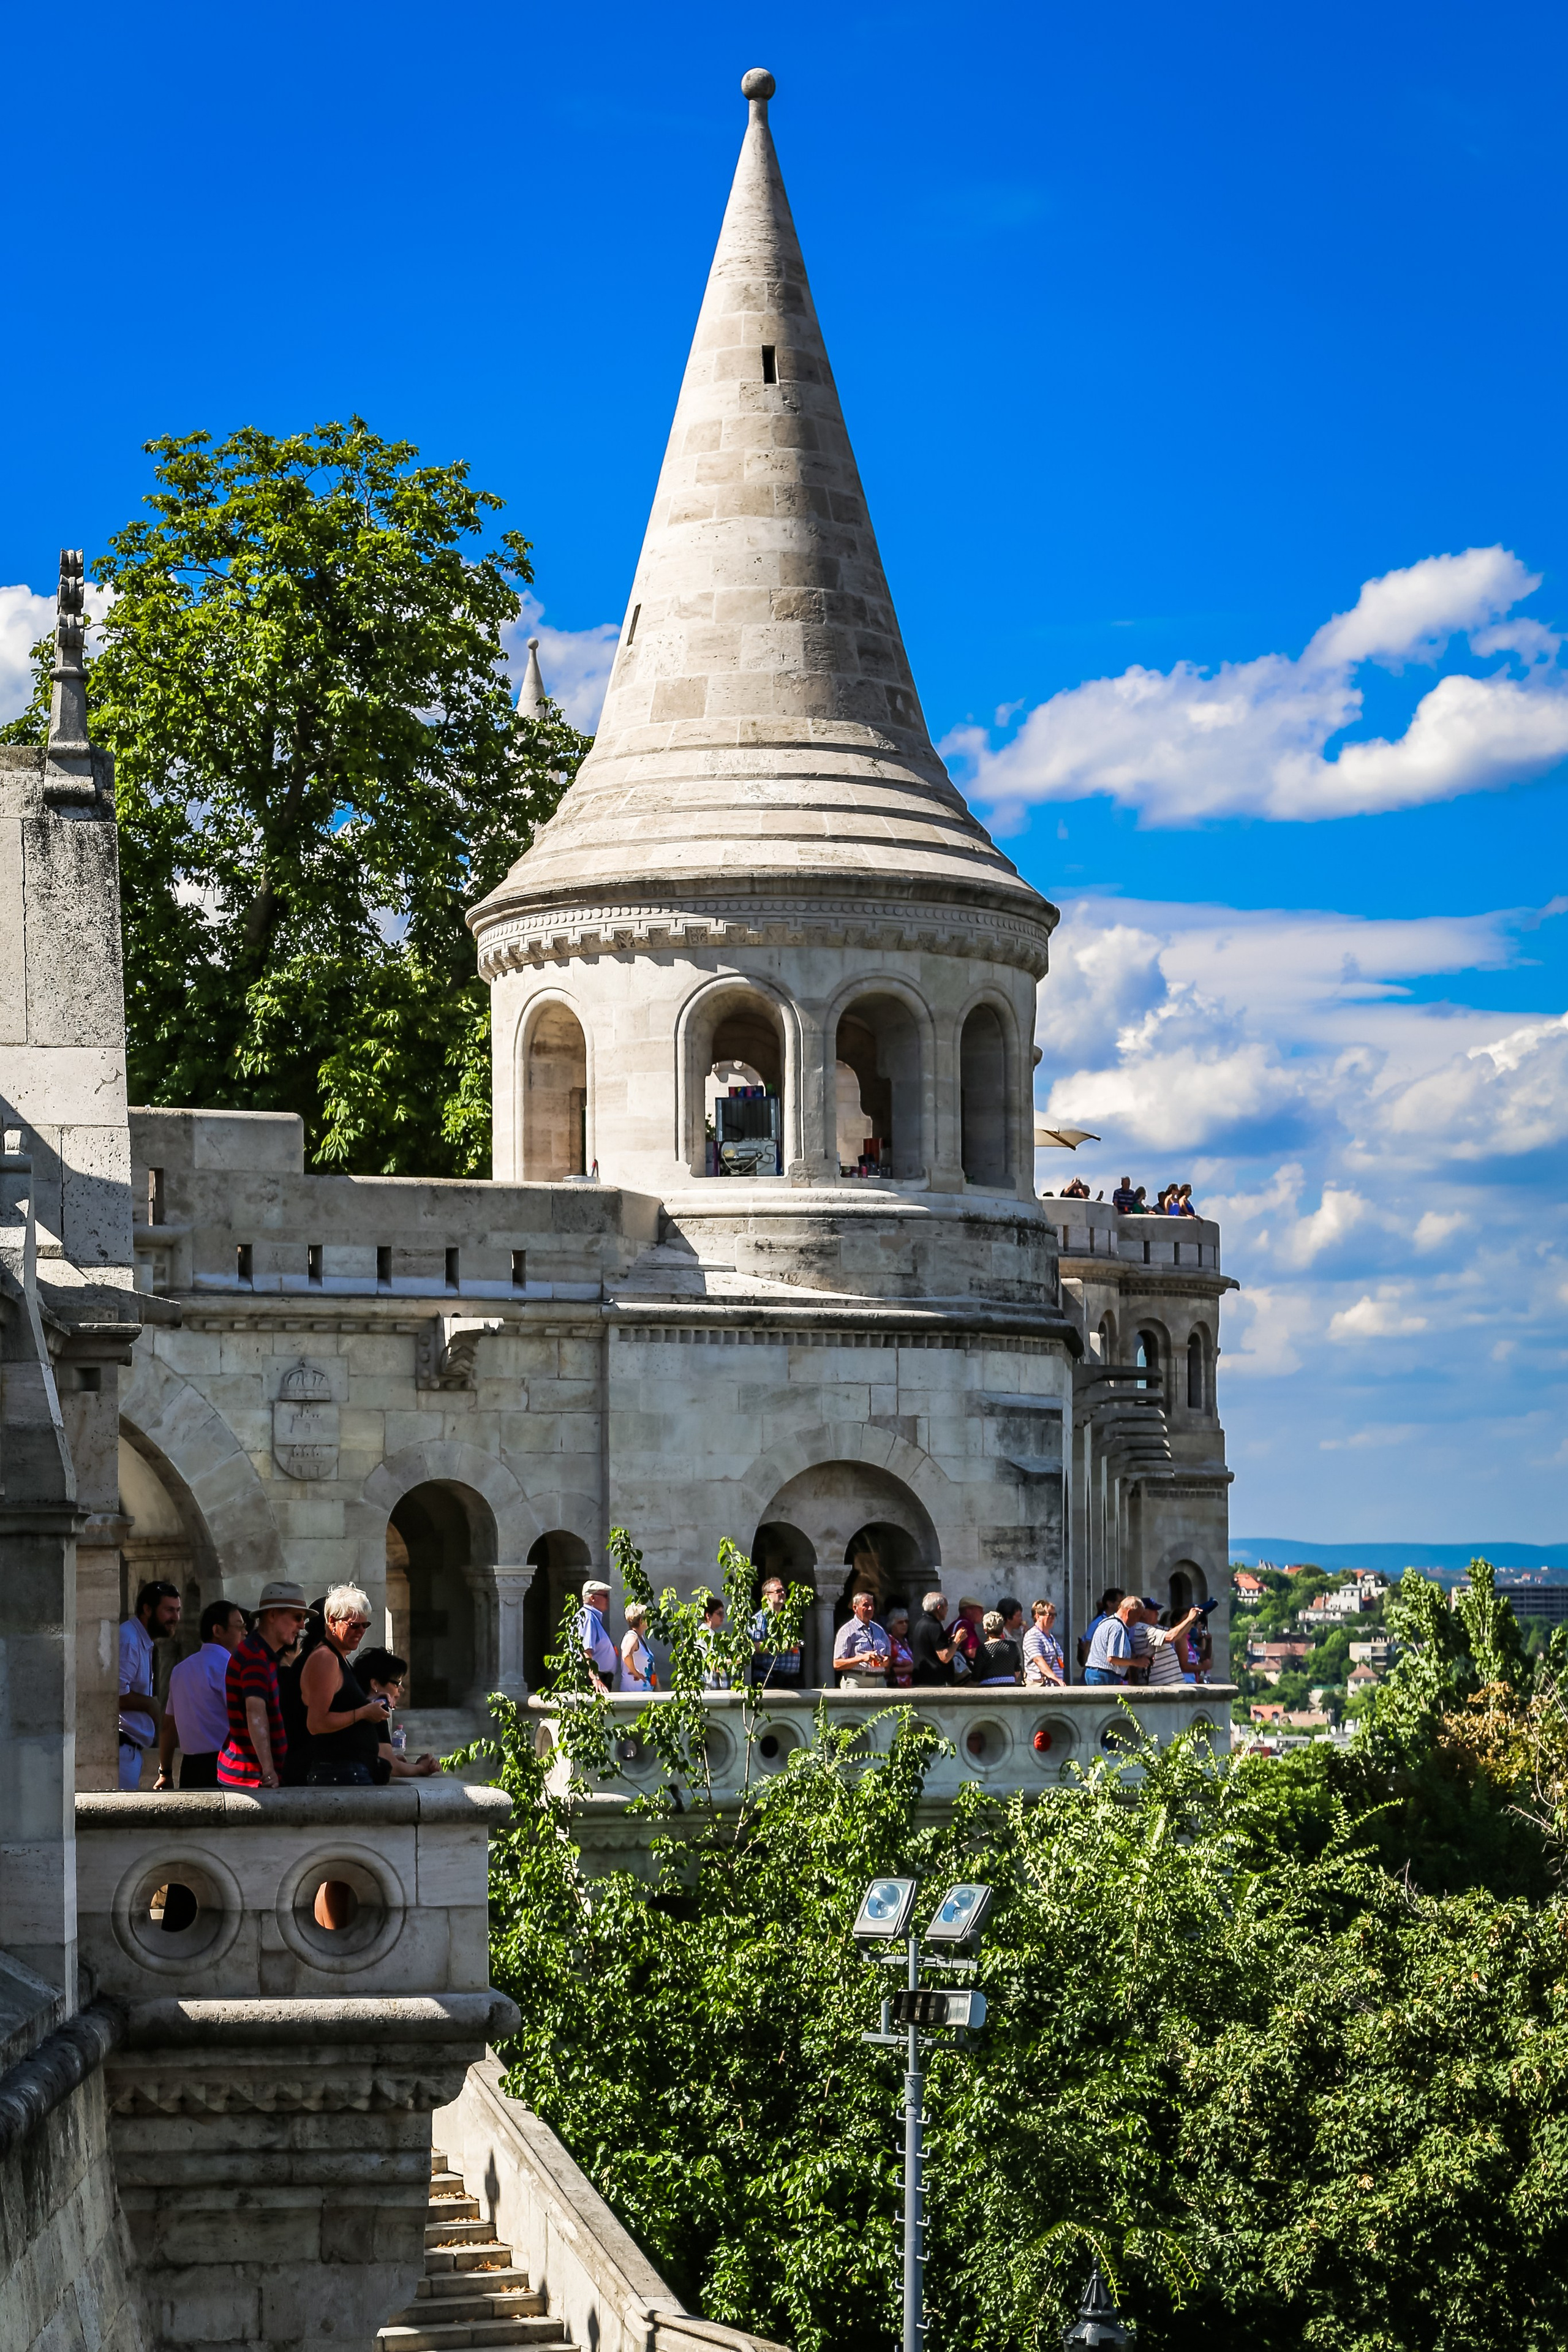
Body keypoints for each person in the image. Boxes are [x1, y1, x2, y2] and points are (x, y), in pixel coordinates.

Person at [300, 1584, 394, 1785]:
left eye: (365, 1625)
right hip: (340, 1772)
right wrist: (364, 1712)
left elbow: (339, 1704)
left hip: (349, 1770)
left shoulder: (337, 1657)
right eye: (354, 1626)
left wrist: (371, 1702)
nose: (361, 1631)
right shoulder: (326, 1658)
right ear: (332, 1621)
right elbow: (316, 1723)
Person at [219, 1581, 309, 1789]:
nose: (302, 1626)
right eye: (297, 1617)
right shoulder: (255, 1657)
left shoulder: (259, 1653)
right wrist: (268, 1770)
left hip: (247, 1775)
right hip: (253, 1779)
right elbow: (255, 1713)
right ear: (272, 1615)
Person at [156, 1599, 247, 1789]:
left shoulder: (180, 1670)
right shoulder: (229, 1668)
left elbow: (168, 1726)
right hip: (227, 1767)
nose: (245, 1633)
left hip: (190, 1767)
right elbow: (245, 1721)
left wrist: (165, 1772)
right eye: (239, 1627)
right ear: (218, 1630)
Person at [119, 1579, 181, 1790]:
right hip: (123, 1749)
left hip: (131, 1751)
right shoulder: (129, 1640)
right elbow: (115, 1695)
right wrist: (150, 1705)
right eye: (169, 1610)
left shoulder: (140, 1639)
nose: (176, 1618)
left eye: (178, 1610)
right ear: (147, 1609)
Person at [352, 1646, 441, 1776]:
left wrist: (412, 1766)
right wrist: (422, 1768)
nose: (401, 1689)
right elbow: (391, 1766)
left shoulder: (357, 1707)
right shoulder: (375, 1710)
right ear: (375, 1684)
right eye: (397, 1683)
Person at [748, 1575, 802, 1690]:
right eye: (778, 1591)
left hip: (789, 1680)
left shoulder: (786, 1619)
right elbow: (754, 1646)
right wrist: (781, 1646)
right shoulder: (760, 1619)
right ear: (767, 1596)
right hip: (768, 1678)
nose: (782, 1593)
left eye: (784, 1591)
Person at [833, 1589, 890, 1688]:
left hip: (880, 1680)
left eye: (872, 1605)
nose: (870, 1608)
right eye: (866, 1605)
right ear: (855, 1608)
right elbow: (837, 1664)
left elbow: (888, 1658)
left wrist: (885, 1660)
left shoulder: (879, 1630)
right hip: (857, 1680)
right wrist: (862, 1658)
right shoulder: (847, 1631)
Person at [1084, 1593, 1142, 1685]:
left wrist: (1136, 1658)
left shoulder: (1111, 1623)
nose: (1138, 1621)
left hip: (1100, 1674)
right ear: (1129, 1613)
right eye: (1137, 1617)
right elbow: (1112, 1658)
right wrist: (1136, 1663)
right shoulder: (1117, 1627)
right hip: (1104, 1676)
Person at [576, 1580, 619, 1692]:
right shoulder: (588, 1618)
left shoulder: (591, 1616)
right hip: (593, 1681)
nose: (608, 1599)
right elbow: (586, 1652)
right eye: (605, 1596)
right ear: (593, 1598)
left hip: (600, 1679)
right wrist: (595, 1678)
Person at [909, 1591, 956, 1686]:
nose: (947, 1610)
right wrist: (957, 1641)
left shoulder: (920, 1623)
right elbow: (945, 1657)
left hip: (921, 1680)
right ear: (939, 1608)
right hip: (935, 1683)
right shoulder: (935, 1626)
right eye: (946, 1607)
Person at [1078, 1588, 1123, 1675]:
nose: (1122, 1605)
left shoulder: (1117, 1621)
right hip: (1098, 1671)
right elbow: (1088, 1645)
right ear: (1110, 1604)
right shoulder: (1098, 1622)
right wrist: (1087, 1669)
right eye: (1120, 1602)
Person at [1023, 1599, 1066, 1686]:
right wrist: (1055, 1678)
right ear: (1038, 1616)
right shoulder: (1033, 1635)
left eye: (1054, 1615)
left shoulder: (1051, 1637)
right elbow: (1038, 1660)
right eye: (1050, 1615)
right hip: (1041, 1688)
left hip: (1053, 1686)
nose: (1053, 1618)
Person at [976, 1610, 1023, 1684]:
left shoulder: (982, 1649)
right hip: (1010, 1685)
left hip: (988, 1686)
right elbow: (1017, 1670)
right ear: (1002, 1629)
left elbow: (976, 1675)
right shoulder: (1013, 1646)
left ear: (985, 1630)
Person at [619, 1602, 658, 1693]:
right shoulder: (633, 1637)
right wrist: (636, 1673)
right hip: (634, 1692)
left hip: (642, 1692)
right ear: (641, 1620)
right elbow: (626, 1655)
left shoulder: (639, 1638)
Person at [698, 1593, 731, 1689]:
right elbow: (713, 1665)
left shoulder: (713, 1634)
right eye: (719, 1613)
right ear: (708, 1616)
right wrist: (735, 1661)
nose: (723, 1617)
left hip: (717, 1688)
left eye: (723, 1613)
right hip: (711, 1688)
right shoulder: (705, 1635)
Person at [948, 1597, 985, 1676]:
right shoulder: (964, 1625)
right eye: (980, 1610)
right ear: (969, 1611)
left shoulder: (959, 1623)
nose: (983, 1613)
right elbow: (971, 1652)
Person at [886, 1605, 914, 1688]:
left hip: (909, 1686)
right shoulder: (889, 1643)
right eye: (900, 1622)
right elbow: (884, 1671)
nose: (904, 1625)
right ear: (892, 1625)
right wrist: (908, 1669)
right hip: (896, 1688)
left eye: (906, 1622)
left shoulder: (905, 1641)